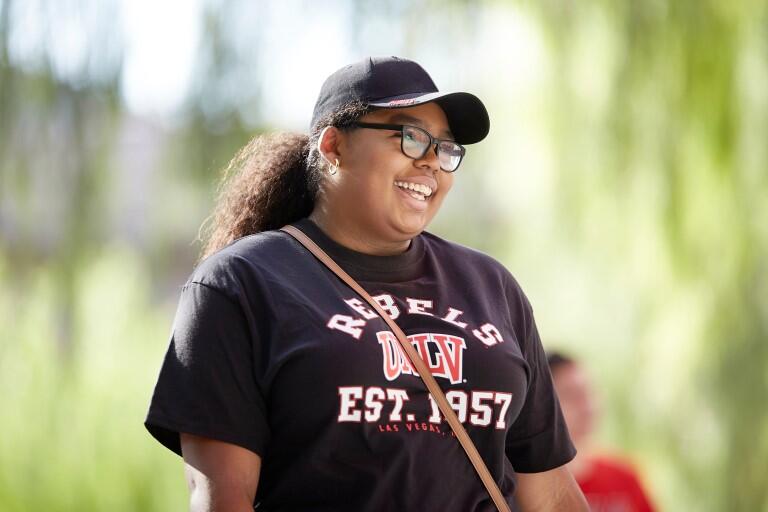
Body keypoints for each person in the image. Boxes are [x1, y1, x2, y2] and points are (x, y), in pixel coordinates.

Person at [145, 56, 588, 512]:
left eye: (446, 148)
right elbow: (223, 500)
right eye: (411, 138)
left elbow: (550, 493)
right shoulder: (241, 283)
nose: (433, 163)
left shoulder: (492, 287)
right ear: (334, 146)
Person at [547, 352, 656, 512]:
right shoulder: (532, 489)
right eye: (571, 394)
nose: (586, 406)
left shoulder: (624, 477)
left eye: (588, 392)